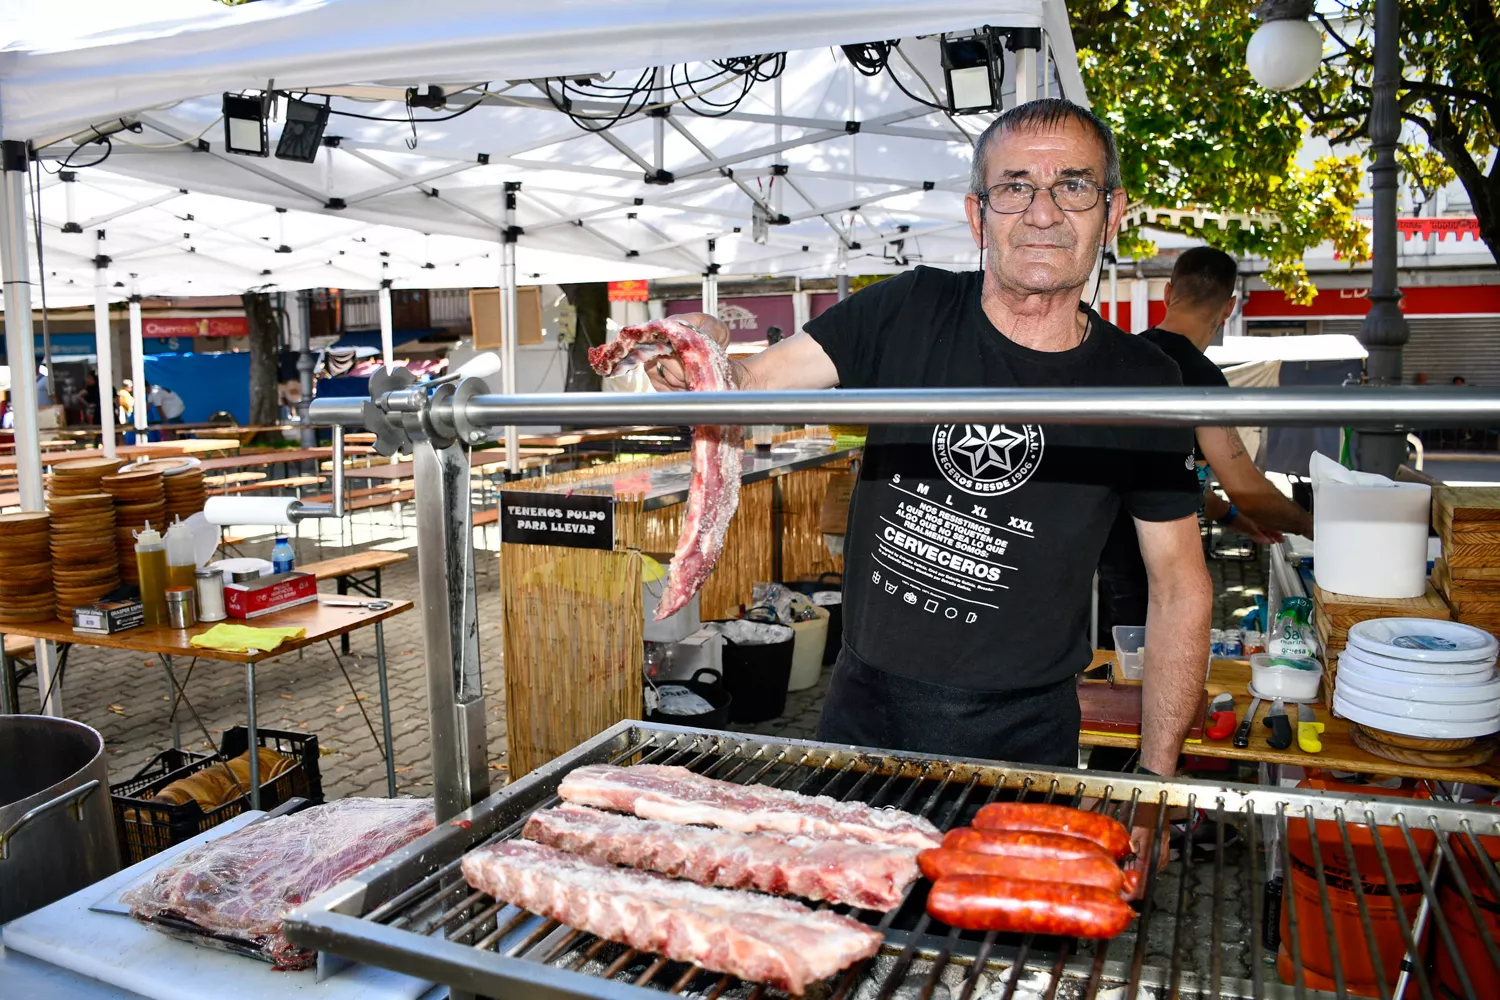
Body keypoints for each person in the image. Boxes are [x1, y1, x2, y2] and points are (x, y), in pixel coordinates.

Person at [650, 99, 1211, 792]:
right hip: (865, 714)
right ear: (978, 215)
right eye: (1013, 187)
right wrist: (699, 348)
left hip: (1026, 735)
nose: (1043, 212)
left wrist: (1157, 780)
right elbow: (748, 382)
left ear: (1112, 211)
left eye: (1073, 185)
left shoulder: (1140, 379)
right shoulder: (909, 309)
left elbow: (1180, 585)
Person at [1097, 249, 1313, 646]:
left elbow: (1162, 473)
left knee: (1116, 682)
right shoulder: (1200, 377)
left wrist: (1231, 516)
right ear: (1229, 307)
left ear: (1166, 293)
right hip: (1156, 578)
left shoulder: (1122, 358)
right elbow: (1248, 489)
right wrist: (1312, 526)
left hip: (1105, 567)